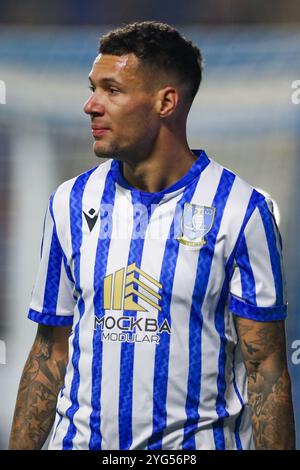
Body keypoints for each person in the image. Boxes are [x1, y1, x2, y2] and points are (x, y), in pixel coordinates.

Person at [9, 21, 295, 451]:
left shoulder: (241, 209)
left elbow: (266, 367)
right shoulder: (69, 202)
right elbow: (49, 353)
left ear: (166, 102)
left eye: (113, 90)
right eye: (93, 88)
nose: (90, 105)